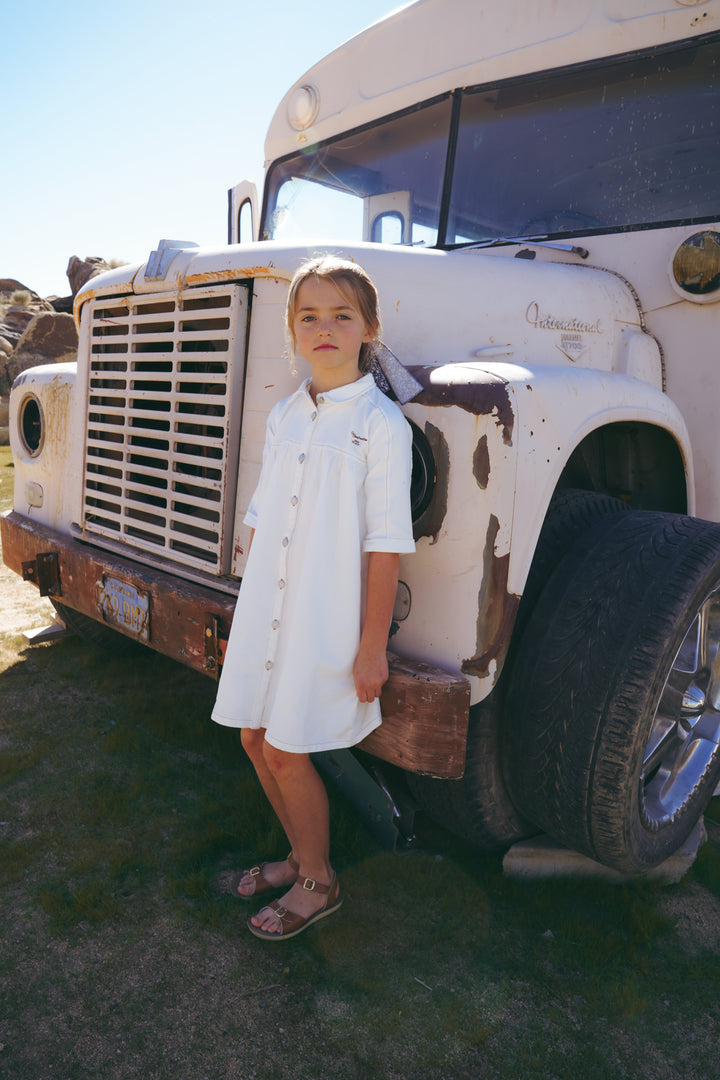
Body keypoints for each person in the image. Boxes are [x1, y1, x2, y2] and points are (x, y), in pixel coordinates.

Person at [211, 254, 415, 941]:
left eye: (341, 315)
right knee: (253, 736)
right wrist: (246, 603)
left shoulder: (381, 426)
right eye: (308, 316)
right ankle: (299, 854)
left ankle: (320, 881)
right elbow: (265, 517)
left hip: (323, 622)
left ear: (369, 327)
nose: (323, 328)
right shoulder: (287, 412)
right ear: (292, 329)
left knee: (290, 749)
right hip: (267, 612)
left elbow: (385, 545)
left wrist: (370, 649)